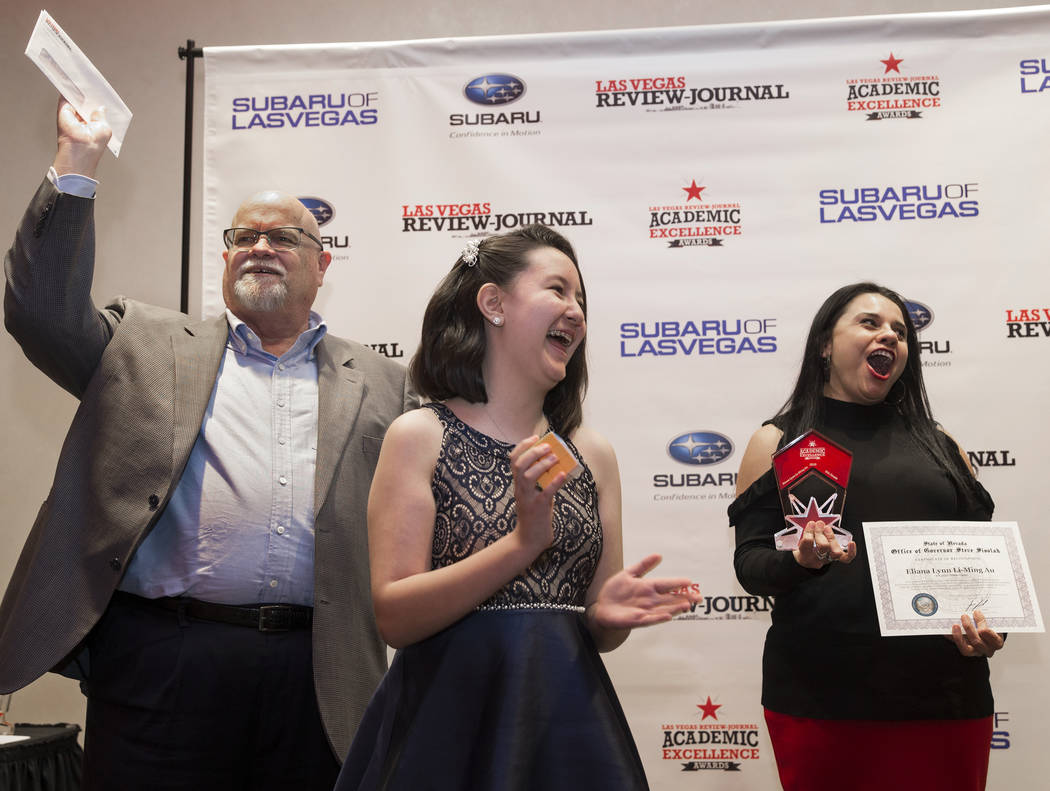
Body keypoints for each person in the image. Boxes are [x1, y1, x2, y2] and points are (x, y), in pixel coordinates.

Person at [0, 99, 415, 790]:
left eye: (283, 235)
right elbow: (40, 311)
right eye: (244, 235)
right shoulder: (142, 343)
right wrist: (77, 162)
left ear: (322, 263)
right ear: (225, 258)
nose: (260, 246)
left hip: (319, 673)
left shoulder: (384, 383)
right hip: (163, 660)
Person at [334, 225, 699, 790]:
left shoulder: (590, 451)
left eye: (581, 299)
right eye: (557, 290)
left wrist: (605, 614)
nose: (575, 312)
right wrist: (522, 543)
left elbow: (599, 623)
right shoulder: (421, 435)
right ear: (493, 303)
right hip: (448, 727)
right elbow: (394, 616)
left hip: (568, 724)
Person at [729, 282, 1004, 791]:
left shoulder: (943, 446)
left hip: (945, 701)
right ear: (825, 345)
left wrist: (991, 630)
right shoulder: (778, 441)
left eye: (900, 330)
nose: (890, 336)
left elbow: (983, 572)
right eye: (870, 323)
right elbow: (750, 564)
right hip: (820, 701)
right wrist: (803, 561)